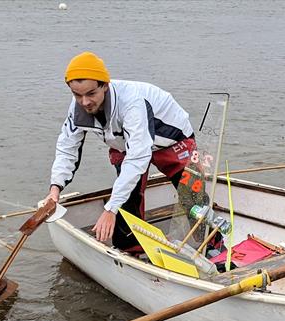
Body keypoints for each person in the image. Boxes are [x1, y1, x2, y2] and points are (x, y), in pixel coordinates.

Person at [40, 52, 196, 250]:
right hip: (124, 143)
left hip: (171, 140)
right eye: (77, 95)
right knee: (127, 201)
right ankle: (131, 251)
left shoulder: (132, 102)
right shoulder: (78, 107)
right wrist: (55, 190)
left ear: (105, 85)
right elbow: (67, 148)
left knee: (193, 195)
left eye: (90, 94)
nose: (84, 102)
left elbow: (138, 157)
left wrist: (109, 209)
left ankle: (215, 247)